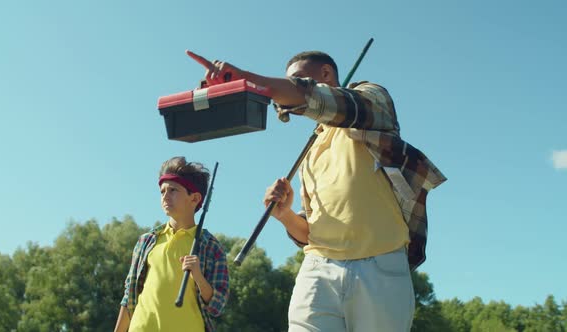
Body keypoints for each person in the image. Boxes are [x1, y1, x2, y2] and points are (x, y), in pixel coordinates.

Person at [187, 49, 446, 332]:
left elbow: (327, 101)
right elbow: (309, 232)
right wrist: (285, 215)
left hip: (380, 268)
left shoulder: (373, 101)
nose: (293, 89)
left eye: (298, 80)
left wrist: (251, 81)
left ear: (325, 75)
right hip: (318, 269)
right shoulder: (311, 153)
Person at [114, 156, 229, 332]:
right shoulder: (146, 241)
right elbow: (129, 296)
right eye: (162, 191)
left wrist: (198, 276)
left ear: (195, 198)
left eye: (173, 190)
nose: (165, 196)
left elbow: (217, 305)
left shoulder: (212, 247)